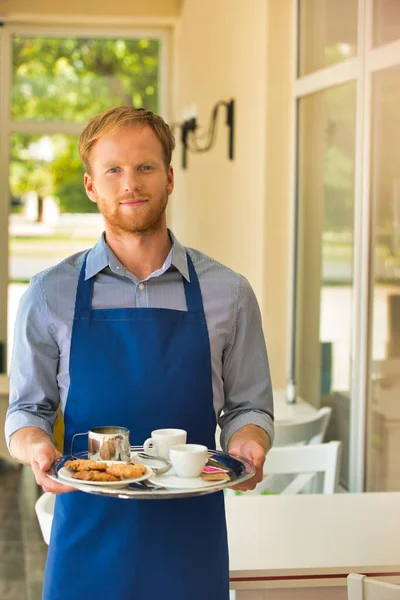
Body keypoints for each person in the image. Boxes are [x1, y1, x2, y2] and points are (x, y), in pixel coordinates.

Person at [5, 106, 274, 600]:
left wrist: (250, 441)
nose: (131, 183)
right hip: (87, 535)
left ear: (170, 178)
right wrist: (34, 447)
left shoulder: (228, 293)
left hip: (190, 535)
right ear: (91, 185)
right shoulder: (48, 295)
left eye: (146, 167)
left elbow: (248, 406)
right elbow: (27, 410)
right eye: (114, 170)